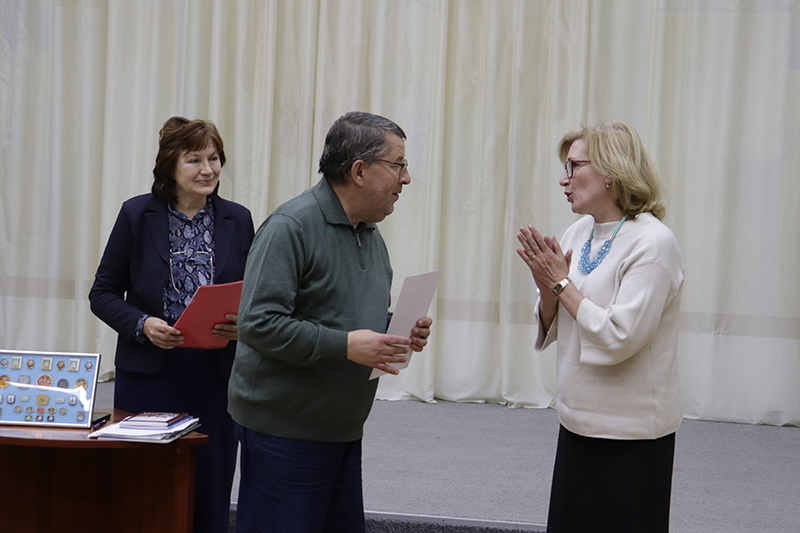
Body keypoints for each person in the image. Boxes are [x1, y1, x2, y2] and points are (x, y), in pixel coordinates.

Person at [228, 111, 433, 533]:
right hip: (286, 432)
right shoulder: (290, 227)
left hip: (342, 429)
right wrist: (347, 346)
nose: (407, 178)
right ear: (359, 171)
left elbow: (345, 315)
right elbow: (258, 323)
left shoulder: (369, 234)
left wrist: (395, 330)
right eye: (398, 165)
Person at [516, 121, 684, 532]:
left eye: (573, 167)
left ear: (610, 171)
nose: (563, 179)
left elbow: (619, 337)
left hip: (632, 436)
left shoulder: (653, 242)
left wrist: (561, 284)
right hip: (577, 421)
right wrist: (549, 290)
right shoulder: (580, 231)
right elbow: (555, 323)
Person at [89, 117, 255, 533]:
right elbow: (102, 293)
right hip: (150, 374)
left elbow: (255, 295)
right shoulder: (136, 214)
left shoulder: (239, 219)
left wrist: (244, 324)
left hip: (216, 375)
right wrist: (142, 323)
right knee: (144, 485)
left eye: (214, 158)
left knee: (210, 487)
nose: (207, 169)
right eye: (194, 159)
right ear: (170, 165)